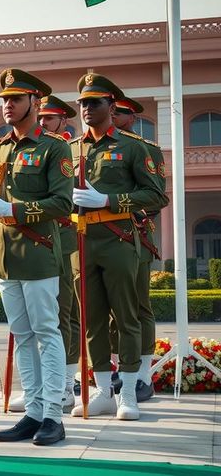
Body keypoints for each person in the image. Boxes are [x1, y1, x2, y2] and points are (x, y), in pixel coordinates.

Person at [0, 69, 72, 446]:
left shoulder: (54, 147)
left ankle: (53, 414)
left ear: (35, 102)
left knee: (47, 333)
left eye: (15, 99)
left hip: (38, 252)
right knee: (22, 336)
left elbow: (62, 203)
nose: (7, 106)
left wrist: (11, 209)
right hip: (6, 254)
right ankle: (32, 411)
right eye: (4, 100)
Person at [69, 74, 168, 420]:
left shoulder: (132, 146)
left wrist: (108, 200)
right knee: (91, 321)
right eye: (82, 103)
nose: (86, 109)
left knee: (126, 316)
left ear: (111, 106)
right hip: (82, 242)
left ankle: (128, 391)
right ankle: (101, 390)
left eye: (94, 102)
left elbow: (156, 194)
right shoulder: (70, 149)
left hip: (120, 239)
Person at [111, 95, 165, 402]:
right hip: (104, 239)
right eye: (112, 111)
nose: (114, 117)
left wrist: (130, 214)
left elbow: (156, 196)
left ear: (132, 117)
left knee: (139, 306)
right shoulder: (97, 147)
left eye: (120, 113)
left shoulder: (144, 148)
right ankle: (120, 370)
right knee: (110, 312)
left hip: (137, 236)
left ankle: (144, 374)